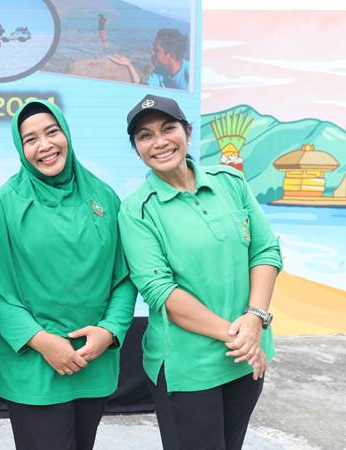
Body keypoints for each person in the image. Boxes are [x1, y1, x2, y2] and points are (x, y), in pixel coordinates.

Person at [118, 94, 282, 450]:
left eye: (168, 128)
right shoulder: (138, 211)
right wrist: (239, 336)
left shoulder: (230, 182)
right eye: (145, 136)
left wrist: (254, 320)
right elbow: (161, 290)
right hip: (188, 368)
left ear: (188, 133)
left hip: (245, 358)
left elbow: (265, 250)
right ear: (137, 149)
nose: (159, 142)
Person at [0, 99, 136, 450]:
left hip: (93, 360)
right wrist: (40, 339)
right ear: (21, 149)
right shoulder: (2, 207)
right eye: (30, 139)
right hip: (34, 366)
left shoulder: (104, 198)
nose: (45, 145)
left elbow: (124, 276)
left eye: (52, 132)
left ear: (66, 134)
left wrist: (110, 331)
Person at [109, 28, 190, 90]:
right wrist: (128, 65)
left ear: (170, 55)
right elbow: (143, 88)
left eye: (156, 50)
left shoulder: (190, 74)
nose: (152, 52)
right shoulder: (159, 71)